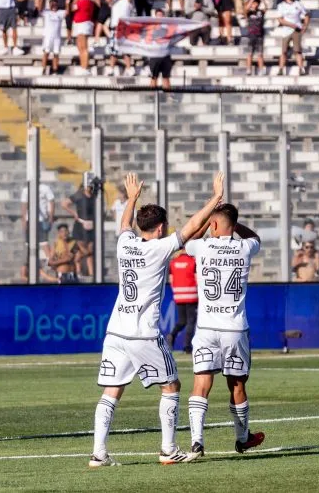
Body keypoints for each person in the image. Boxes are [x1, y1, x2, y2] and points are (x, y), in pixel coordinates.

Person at [89, 171, 225, 467]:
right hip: (143, 333)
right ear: (161, 227)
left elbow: (125, 224)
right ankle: (168, 449)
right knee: (172, 386)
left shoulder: (125, 243)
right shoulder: (159, 247)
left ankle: (98, 452)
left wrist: (132, 197)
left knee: (111, 391)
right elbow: (190, 228)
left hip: (115, 331)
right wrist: (215, 198)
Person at [184, 201, 265, 461]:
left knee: (201, 382)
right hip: (234, 327)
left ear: (213, 224)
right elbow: (255, 237)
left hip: (206, 327)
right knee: (237, 384)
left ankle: (196, 441)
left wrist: (206, 222)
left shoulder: (202, 246)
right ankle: (243, 438)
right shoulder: (244, 247)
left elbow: (187, 240)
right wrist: (232, 223)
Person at [63, 180, 97, 279]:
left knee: (90, 252)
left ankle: (91, 274)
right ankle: (78, 271)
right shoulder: (79, 195)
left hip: (91, 226)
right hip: (80, 226)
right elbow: (64, 204)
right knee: (83, 250)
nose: (90, 188)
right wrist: (73, 213)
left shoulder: (95, 196)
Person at [168, 250, 198, 352]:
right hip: (191, 295)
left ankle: (172, 335)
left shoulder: (173, 262)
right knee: (191, 321)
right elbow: (197, 279)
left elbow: (171, 281)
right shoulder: (193, 261)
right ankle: (187, 346)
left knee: (182, 321)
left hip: (179, 296)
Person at [275, 0, 309, 75]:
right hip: (286, 30)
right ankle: (281, 69)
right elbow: (280, 20)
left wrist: (305, 26)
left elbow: (306, 15)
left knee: (297, 51)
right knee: (284, 51)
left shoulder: (298, 4)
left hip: (296, 30)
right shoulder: (281, 5)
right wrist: (292, 25)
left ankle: (301, 68)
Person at [40, 0, 65, 75]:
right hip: (48, 37)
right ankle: (43, 69)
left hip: (57, 38)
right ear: (49, 5)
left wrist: (67, 3)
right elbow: (39, 9)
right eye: (52, 4)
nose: (54, 6)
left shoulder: (60, 13)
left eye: (55, 4)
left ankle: (55, 70)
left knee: (56, 54)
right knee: (46, 53)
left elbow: (67, 12)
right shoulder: (46, 12)